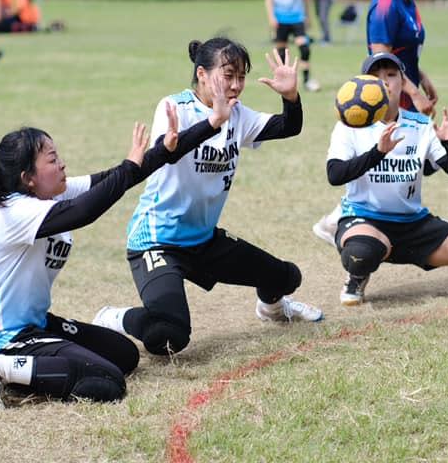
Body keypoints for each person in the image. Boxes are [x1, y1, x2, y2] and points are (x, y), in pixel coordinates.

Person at [0, 107, 230, 411]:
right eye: (52, 160)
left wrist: (199, 130)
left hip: (34, 326)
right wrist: (130, 167)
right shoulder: (12, 213)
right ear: (28, 179)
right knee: (108, 382)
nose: (62, 164)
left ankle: (21, 374)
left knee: (124, 356)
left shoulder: (51, 194)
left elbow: (119, 178)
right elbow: (85, 211)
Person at [91, 37, 323, 358]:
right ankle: (113, 317)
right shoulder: (175, 107)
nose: (237, 85)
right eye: (228, 75)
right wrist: (214, 122)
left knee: (286, 276)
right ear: (202, 73)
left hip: (204, 241)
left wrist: (291, 97)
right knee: (169, 337)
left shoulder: (237, 114)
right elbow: (165, 154)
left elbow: (289, 126)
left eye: (241, 77)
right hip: (158, 242)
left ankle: (271, 309)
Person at [327, 52, 448, 306]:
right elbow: (335, 175)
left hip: (414, 225)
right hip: (366, 220)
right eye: (376, 76)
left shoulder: (420, 125)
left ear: (403, 82)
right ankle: (357, 277)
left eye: (391, 75)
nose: (385, 81)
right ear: (365, 84)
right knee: (361, 253)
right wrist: (378, 152)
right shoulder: (350, 126)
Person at [313, 0, 437, 246]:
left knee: (400, 158)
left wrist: (423, 78)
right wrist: (413, 93)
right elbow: (384, 62)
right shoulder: (384, 5)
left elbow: (405, 52)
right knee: (385, 157)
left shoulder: (406, 0)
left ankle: (347, 219)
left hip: (406, 86)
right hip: (388, 93)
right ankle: (342, 219)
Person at [263, 0, 320, 91]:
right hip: (280, 18)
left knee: (305, 48)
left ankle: (307, 80)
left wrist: (308, 16)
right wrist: (271, 17)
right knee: (281, 52)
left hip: (297, 17)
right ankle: (283, 81)